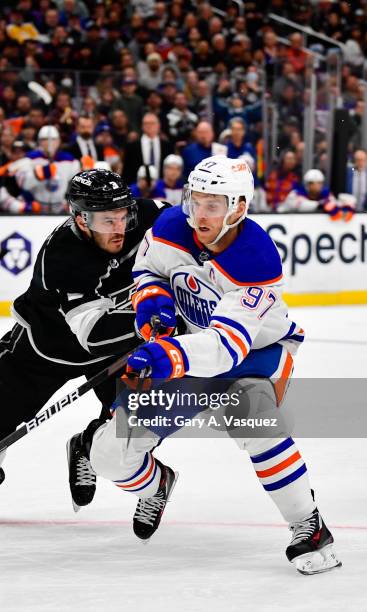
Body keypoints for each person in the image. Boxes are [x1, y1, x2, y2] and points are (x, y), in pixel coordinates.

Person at [88, 156, 342, 575]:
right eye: (195, 200)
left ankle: (309, 526)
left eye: (212, 205)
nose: (198, 214)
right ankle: (157, 484)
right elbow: (147, 270)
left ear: (239, 208)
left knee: (253, 421)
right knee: (109, 455)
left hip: (254, 356)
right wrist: (156, 308)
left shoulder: (256, 259)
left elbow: (226, 350)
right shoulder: (171, 226)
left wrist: (168, 355)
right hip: (187, 351)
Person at [0, 169, 170, 519]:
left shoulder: (151, 216)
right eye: (105, 220)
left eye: (122, 216)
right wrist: (153, 324)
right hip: (45, 348)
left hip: (117, 346)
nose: (118, 227)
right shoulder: (62, 258)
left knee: (138, 421)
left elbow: (193, 237)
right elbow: (92, 334)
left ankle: (87, 444)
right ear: (81, 219)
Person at [14, 125, 80, 214]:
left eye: (53, 139)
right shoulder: (30, 158)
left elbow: (76, 184)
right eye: (45, 139)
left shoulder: (69, 160)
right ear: (39, 141)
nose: (49, 143)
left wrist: (86, 170)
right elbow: (23, 184)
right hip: (37, 207)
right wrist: (38, 175)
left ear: (59, 141)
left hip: (61, 207)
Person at [280, 169, 354, 220]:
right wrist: (320, 205)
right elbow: (301, 205)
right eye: (313, 183)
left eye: (319, 183)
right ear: (307, 185)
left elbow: (332, 204)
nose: (317, 186)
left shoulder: (326, 193)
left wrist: (343, 205)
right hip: (283, 219)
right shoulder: (295, 194)